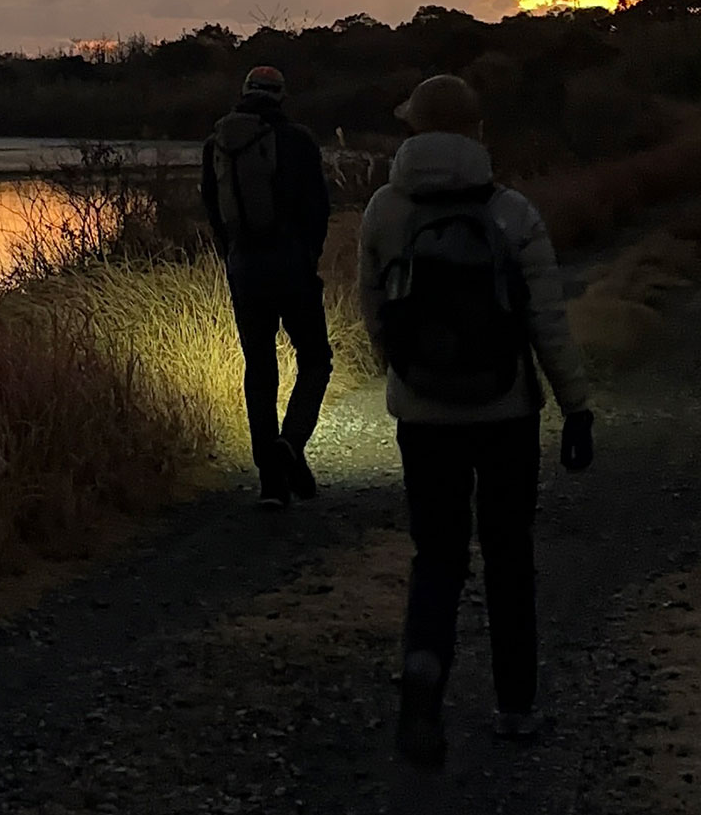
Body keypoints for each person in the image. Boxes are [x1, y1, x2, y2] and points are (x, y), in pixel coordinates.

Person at [359, 73, 594, 770]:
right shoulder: (512, 211)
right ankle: (515, 705)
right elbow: (547, 320)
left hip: (423, 413)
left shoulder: (383, 210)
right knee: (509, 554)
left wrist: (401, 370)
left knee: (436, 553)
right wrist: (576, 405)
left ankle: (425, 679)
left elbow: (373, 308)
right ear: (476, 132)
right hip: (506, 412)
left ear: (414, 131)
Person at [202, 64, 333, 507]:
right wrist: (308, 254)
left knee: (259, 368)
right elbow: (318, 207)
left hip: (245, 268)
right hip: (292, 265)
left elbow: (213, 211)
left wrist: (234, 254)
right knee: (315, 359)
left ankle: (271, 484)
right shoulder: (297, 140)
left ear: (244, 92)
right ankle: (291, 443)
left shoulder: (216, 143)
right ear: (281, 95)